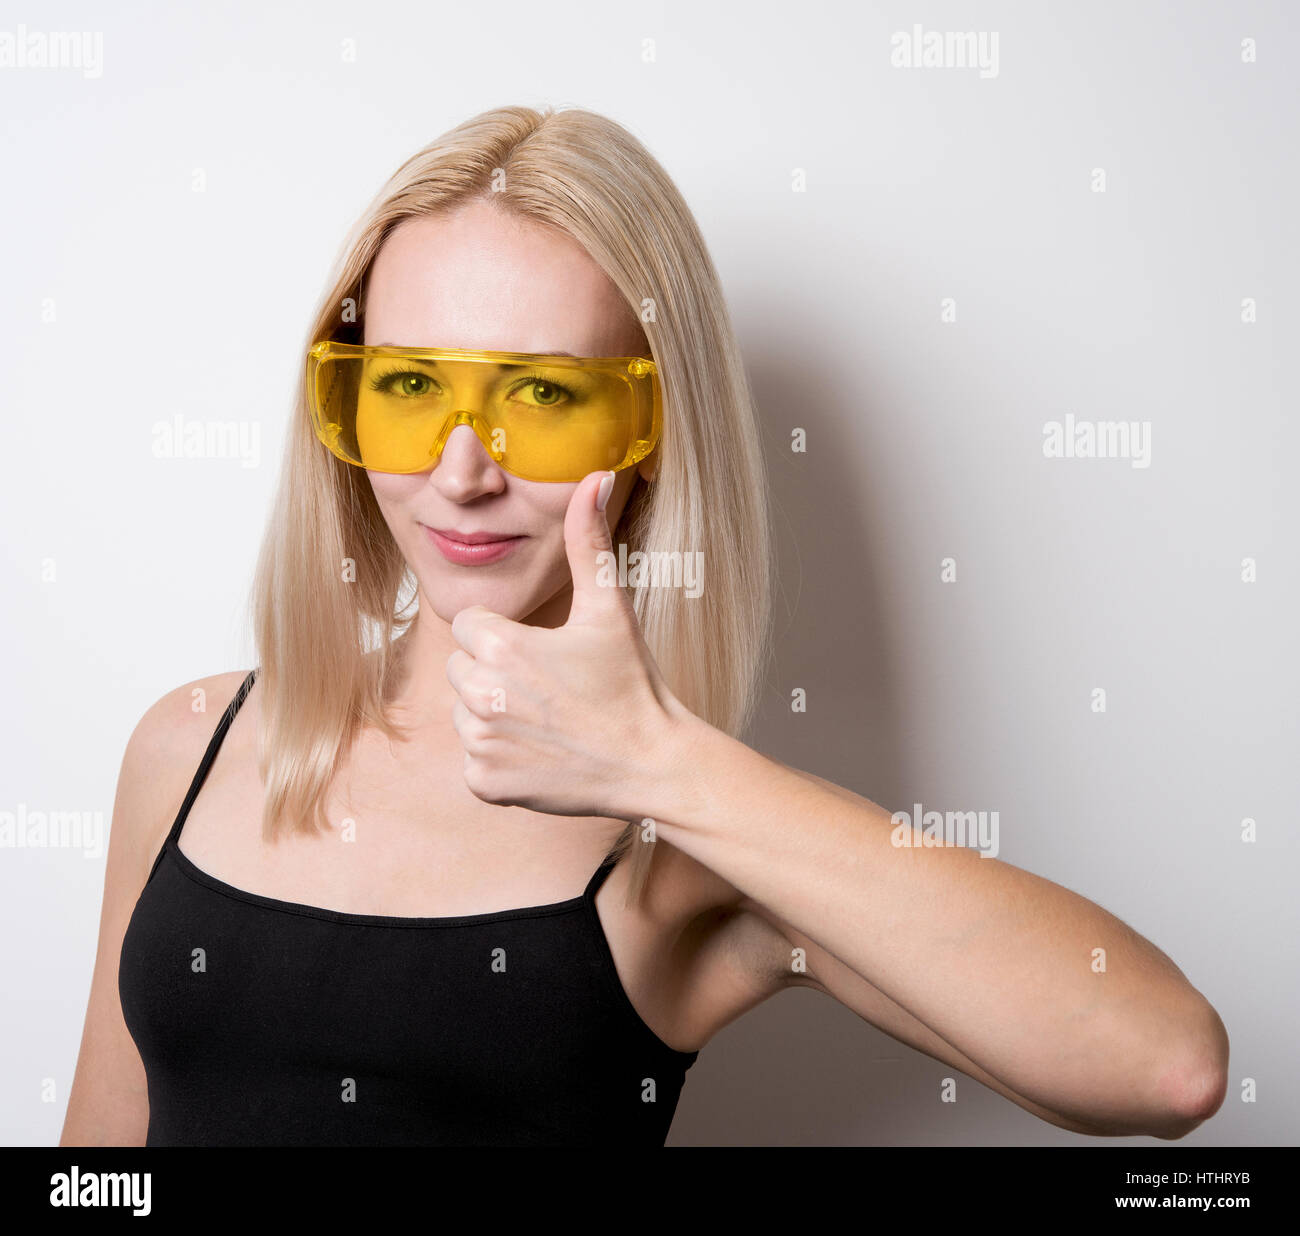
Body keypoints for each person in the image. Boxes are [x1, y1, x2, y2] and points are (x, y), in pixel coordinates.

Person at [60, 104, 1228, 1147]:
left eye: (545, 397)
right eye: (412, 386)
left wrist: (662, 764)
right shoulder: (191, 747)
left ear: (654, 432)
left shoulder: (695, 846)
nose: (462, 472)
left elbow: (1165, 1065)